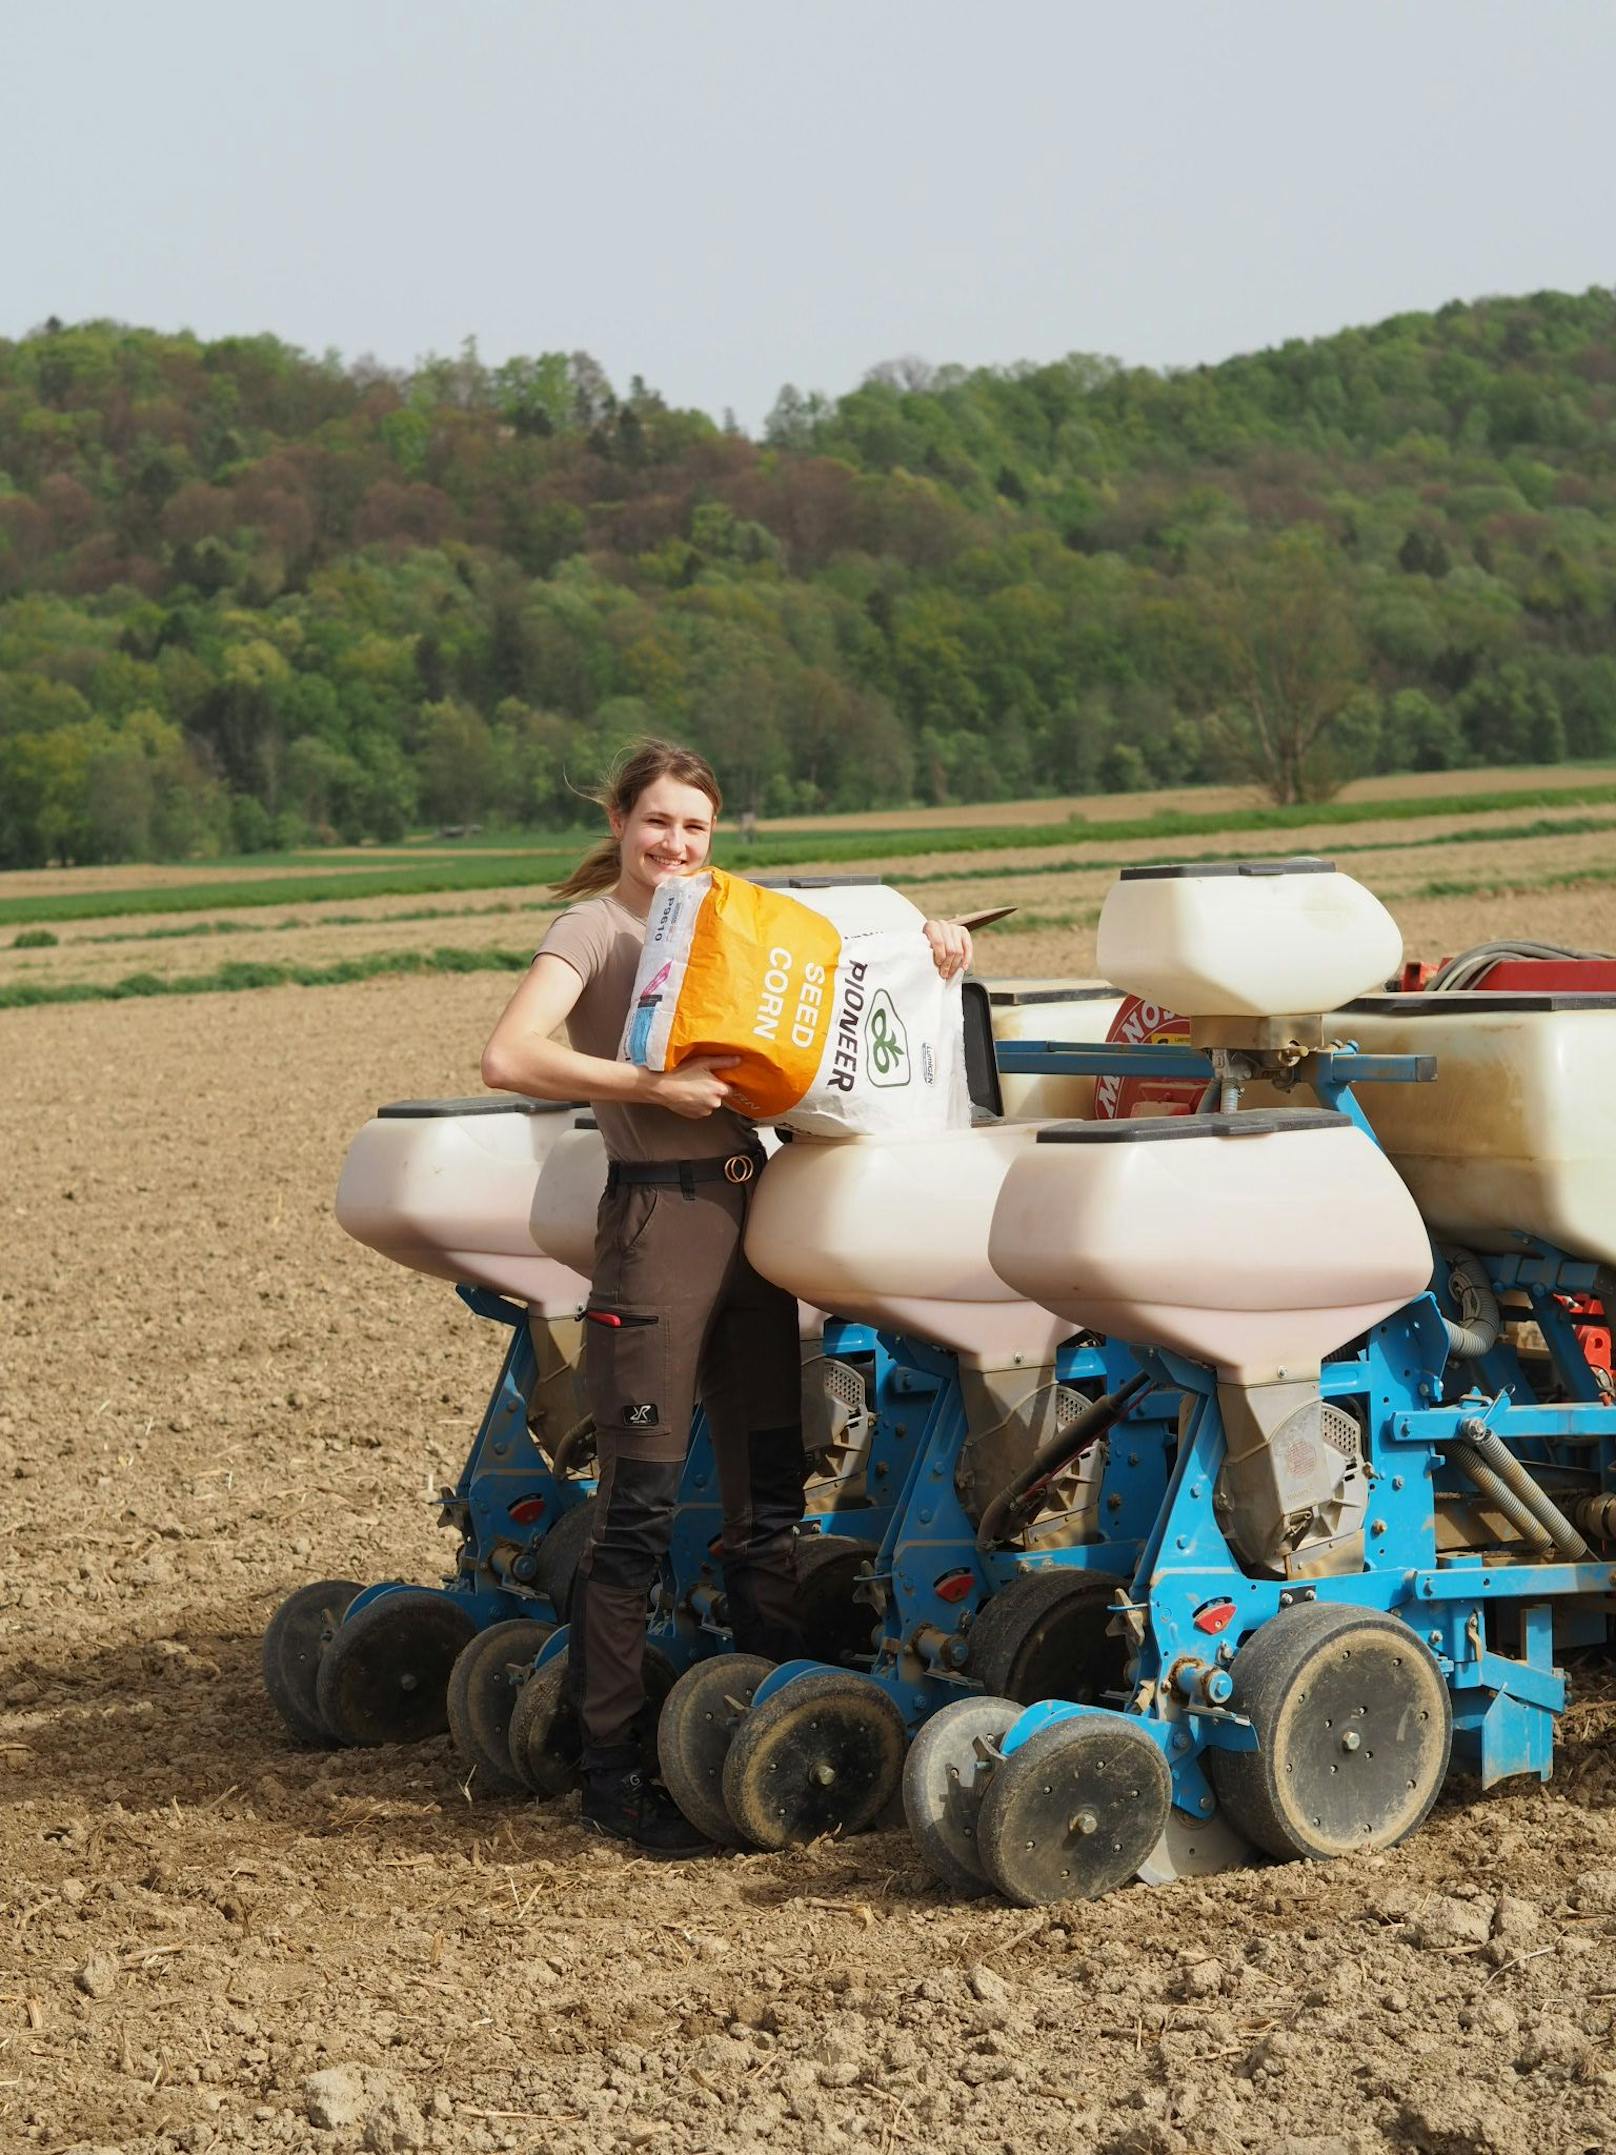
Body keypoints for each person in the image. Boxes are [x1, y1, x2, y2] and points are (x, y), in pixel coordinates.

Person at [481, 739, 971, 1856]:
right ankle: (609, 1780)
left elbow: (845, 978)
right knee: (636, 1516)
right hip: (659, 1223)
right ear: (617, 821)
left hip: (755, 1218)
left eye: (695, 829)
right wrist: (651, 1084)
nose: (675, 846)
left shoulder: (718, 923)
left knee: (765, 1501)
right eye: (657, 823)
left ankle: (776, 1728)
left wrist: (931, 945)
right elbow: (510, 1055)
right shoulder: (596, 932)